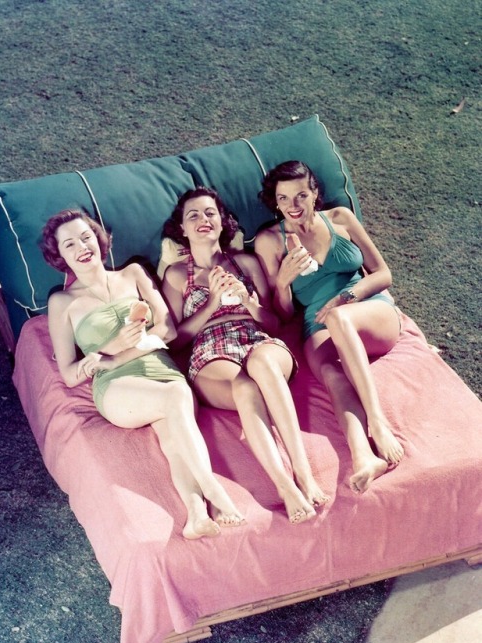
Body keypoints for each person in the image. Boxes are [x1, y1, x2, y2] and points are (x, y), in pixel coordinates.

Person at [41, 208, 244, 540]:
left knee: (173, 438)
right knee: (174, 398)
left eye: (86, 237)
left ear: (99, 239)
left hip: (161, 370)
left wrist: (122, 351)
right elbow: (69, 374)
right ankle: (213, 488)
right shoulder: (62, 303)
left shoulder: (133, 274)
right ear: (59, 256)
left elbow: (166, 328)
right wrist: (106, 355)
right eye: (69, 245)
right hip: (118, 386)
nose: (81, 247)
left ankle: (196, 517)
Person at [162, 187, 328, 524]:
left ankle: (304, 473)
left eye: (210, 213)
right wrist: (211, 302)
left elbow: (275, 321)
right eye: (192, 215)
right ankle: (285, 486)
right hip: (211, 352)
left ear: (222, 223)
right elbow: (176, 341)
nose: (202, 220)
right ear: (182, 229)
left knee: (262, 362)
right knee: (244, 386)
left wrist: (249, 301)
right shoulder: (177, 275)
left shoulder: (247, 263)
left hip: (257, 339)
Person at [255, 161, 404, 494]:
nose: (293, 206)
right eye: (283, 199)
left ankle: (377, 421)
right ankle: (363, 456)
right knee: (332, 375)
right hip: (316, 324)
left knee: (338, 317)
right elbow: (281, 313)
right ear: (275, 201)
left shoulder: (340, 219)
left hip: (368, 311)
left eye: (301, 195)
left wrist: (347, 297)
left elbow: (383, 274)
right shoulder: (271, 242)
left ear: (315, 193)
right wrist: (282, 282)